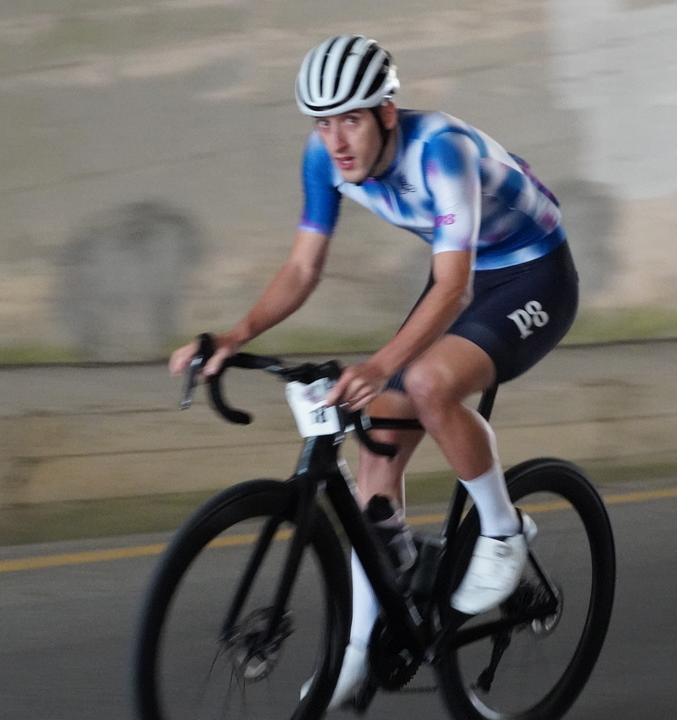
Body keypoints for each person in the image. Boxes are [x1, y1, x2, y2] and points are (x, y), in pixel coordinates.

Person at [168, 34, 579, 709]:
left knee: (423, 383)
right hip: (466, 276)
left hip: (533, 275)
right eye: (321, 123)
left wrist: (385, 362)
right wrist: (235, 334)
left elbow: (453, 289)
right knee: (377, 438)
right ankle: (358, 653)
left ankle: (504, 531)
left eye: (350, 120)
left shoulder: (440, 150)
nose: (335, 141)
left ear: (387, 112)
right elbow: (304, 267)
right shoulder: (324, 157)